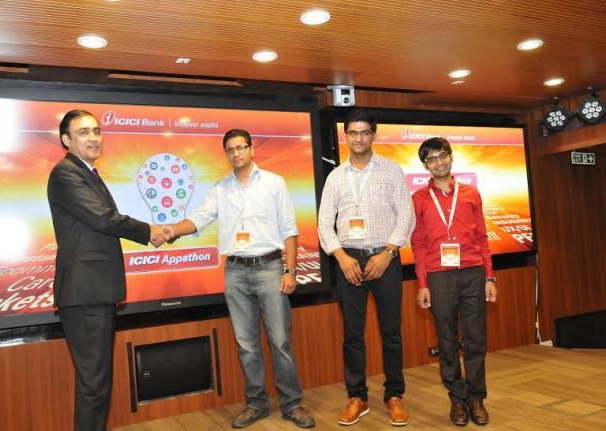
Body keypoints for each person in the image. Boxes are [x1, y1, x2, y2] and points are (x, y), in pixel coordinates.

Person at [166, 129, 315, 429]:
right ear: (226, 154)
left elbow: (289, 229)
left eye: (241, 147)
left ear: (251, 149)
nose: (236, 153)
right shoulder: (220, 189)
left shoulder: (274, 182)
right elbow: (198, 219)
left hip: (270, 268)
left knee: (280, 342)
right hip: (235, 271)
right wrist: (170, 231)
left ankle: (292, 405)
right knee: (246, 345)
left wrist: (290, 271)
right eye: (230, 149)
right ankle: (256, 405)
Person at [47, 109, 170, 431]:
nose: (93, 138)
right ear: (66, 140)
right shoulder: (66, 174)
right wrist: (149, 231)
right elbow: (102, 218)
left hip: (93, 292)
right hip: (85, 293)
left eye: (96, 131)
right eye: (84, 132)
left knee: (96, 383)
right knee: (94, 385)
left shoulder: (86, 172)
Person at [317, 108, 415, 427]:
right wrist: (342, 257)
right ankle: (357, 397)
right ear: (345, 136)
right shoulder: (335, 177)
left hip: (385, 258)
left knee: (391, 332)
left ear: (373, 135)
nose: (358, 138)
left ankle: (394, 396)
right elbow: (324, 224)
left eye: (364, 132)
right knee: (352, 334)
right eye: (352, 132)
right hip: (348, 262)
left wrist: (388, 253)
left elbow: (406, 215)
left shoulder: (391, 170)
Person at [411, 137, 498, 427]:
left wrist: (489, 276)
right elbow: (419, 243)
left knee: (476, 339)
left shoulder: (471, 193)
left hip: (473, 272)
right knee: (447, 341)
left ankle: (476, 398)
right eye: (431, 159)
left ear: (451, 157)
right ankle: (457, 399)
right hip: (439, 276)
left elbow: (482, 237)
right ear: (425, 165)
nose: (438, 162)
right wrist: (423, 283)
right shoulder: (419, 199)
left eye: (442, 155)